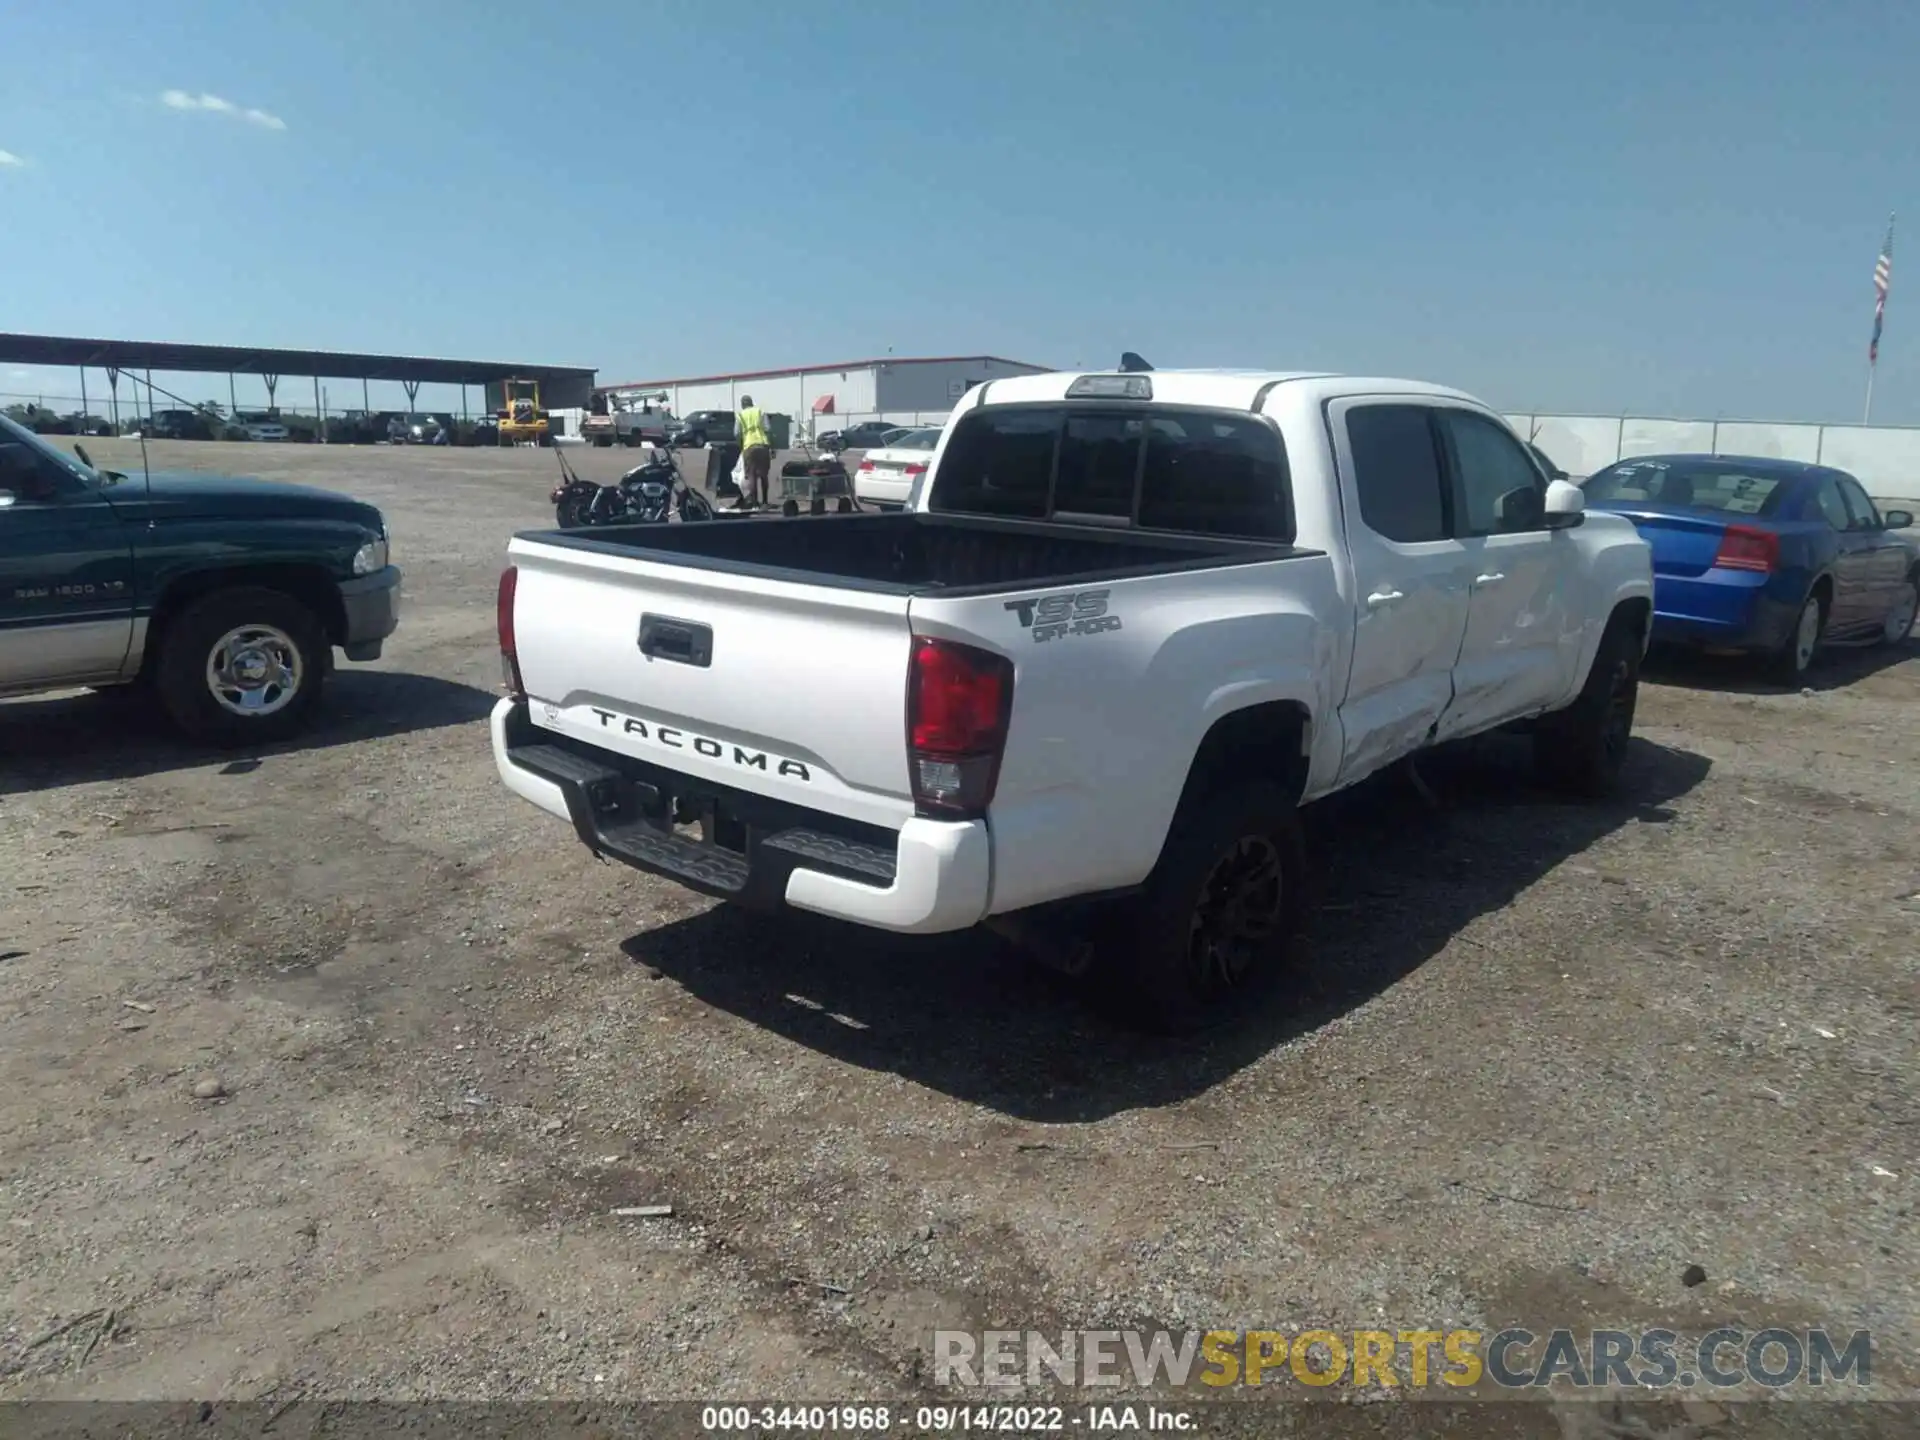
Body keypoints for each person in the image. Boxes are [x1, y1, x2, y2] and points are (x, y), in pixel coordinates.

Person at [736, 395, 773, 511]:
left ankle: (755, 503)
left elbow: (736, 433)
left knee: (751, 475)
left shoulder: (740, 415)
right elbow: (768, 428)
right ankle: (765, 502)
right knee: (763, 475)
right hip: (762, 445)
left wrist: (741, 444)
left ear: (742, 404)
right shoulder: (760, 411)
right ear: (752, 403)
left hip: (749, 446)